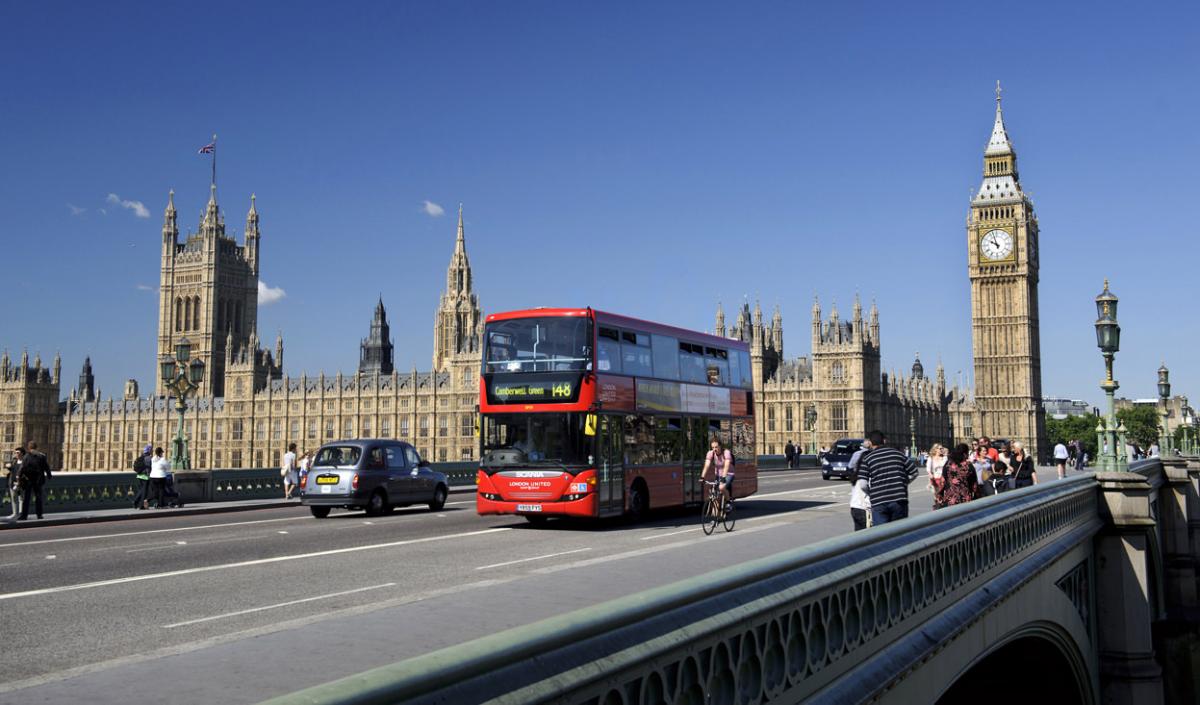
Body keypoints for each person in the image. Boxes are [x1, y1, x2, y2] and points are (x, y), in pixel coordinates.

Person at [859, 430, 918, 526]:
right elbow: (914, 472)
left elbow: (862, 484)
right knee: (899, 532)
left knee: (882, 535)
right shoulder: (897, 454)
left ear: (870, 442)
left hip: (878, 502)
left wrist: (872, 493)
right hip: (899, 499)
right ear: (884, 441)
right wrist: (903, 483)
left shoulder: (867, 458)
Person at [935, 444, 979, 508]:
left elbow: (942, 482)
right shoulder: (968, 466)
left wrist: (939, 495)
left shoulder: (948, 464)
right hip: (965, 499)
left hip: (950, 499)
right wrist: (976, 496)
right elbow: (974, 485)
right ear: (964, 454)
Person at [16, 442, 50, 520]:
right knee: (38, 498)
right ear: (36, 447)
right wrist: (49, 475)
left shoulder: (26, 456)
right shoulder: (42, 456)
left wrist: (18, 477)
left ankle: (24, 515)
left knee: (26, 498)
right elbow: (46, 467)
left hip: (28, 480)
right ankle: (39, 515)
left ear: (29, 447)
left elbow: (22, 468)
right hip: (38, 480)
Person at [701, 437, 735, 509]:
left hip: (729, 474)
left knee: (721, 487)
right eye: (712, 447)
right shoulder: (710, 453)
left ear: (720, 446)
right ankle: (717, 517)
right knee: (714, 495)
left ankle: (728, 502)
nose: (714, 449)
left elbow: (726, 465)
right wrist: (702, 477)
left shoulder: (726, 453)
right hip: (718, 475)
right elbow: (707, 465)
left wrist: (723, 478)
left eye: (716, 447)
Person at [848, 438, 872, 531]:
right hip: (864, 509)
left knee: (858, 535)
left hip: (854, 507)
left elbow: (850, 466)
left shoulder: (855, 475)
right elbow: (864, 486)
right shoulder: (866, 475)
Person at [4, 447, 24, 521]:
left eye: (18, 452)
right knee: (13, 499)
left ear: (22, 453)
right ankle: (14, 513)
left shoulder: (24, 462)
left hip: (21, 483)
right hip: (13, 482)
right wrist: (8, 466)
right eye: (15, 452)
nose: (16, 454)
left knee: (21, 499)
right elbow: (12, 469)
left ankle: (20, 514)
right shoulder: (14, 460)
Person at [132, 444, 152, 509]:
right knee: (144, 491)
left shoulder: (141, 457)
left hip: (139, 475)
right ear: (149, 451)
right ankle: (141, 505)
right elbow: (150, 468)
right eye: (151, 450)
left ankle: (136, 501)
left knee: (141, 489)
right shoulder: (149, 458)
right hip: (145, 476)